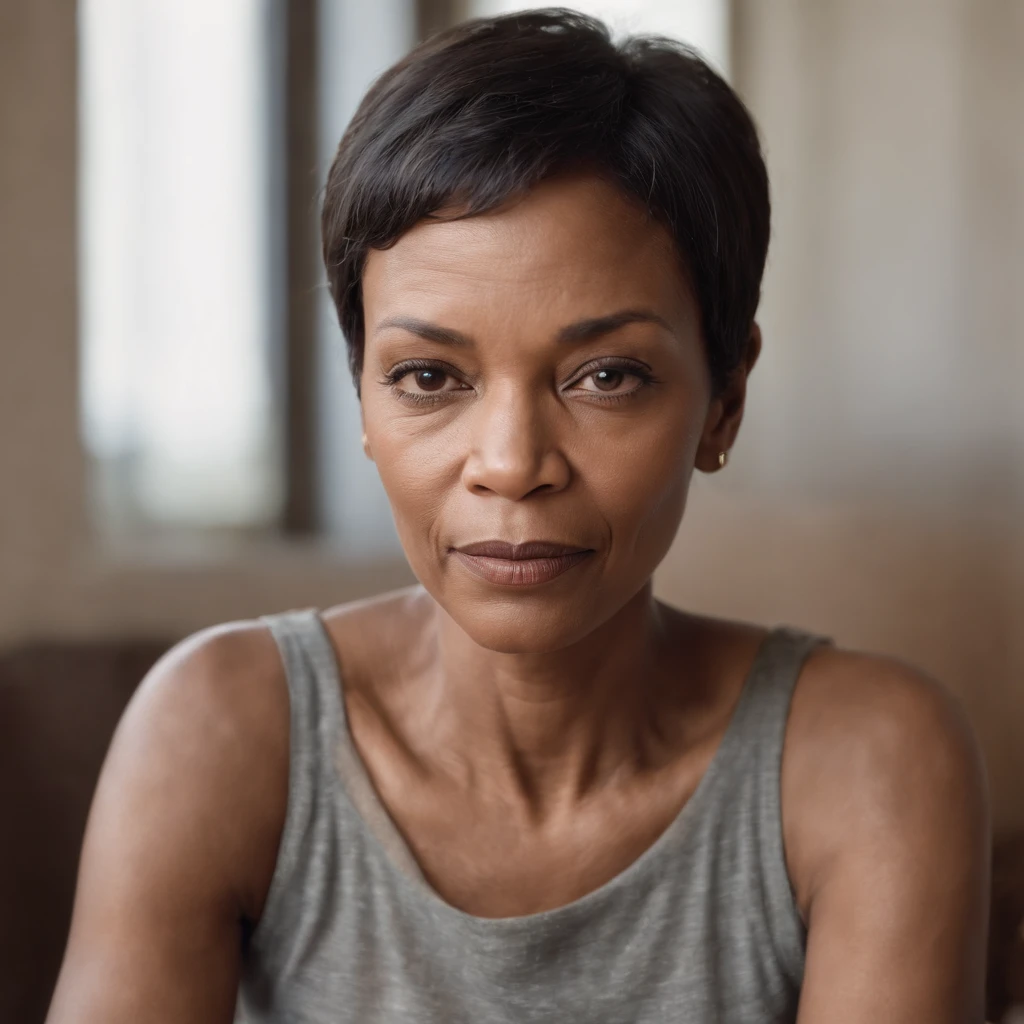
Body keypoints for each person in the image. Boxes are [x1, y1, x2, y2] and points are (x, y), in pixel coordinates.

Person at [47, 10, 990, 1023]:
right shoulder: (218, 732)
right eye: (426, 375)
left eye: (605, 375)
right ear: (360, 395)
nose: (510, 464)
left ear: (725, 398)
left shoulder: (866, 762)